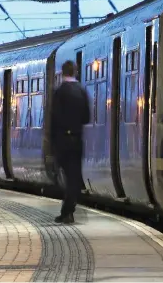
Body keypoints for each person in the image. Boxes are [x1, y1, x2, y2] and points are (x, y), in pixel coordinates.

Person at [50, 60, 90, 224]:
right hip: (77, 139)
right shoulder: (81, 91)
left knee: (64, 177)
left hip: (62, 140)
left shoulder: (60, 92)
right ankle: (68, 211)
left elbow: (54, 119)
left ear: (63, 72)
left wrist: (53, 145)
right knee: (74, 177)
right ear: (75, 72)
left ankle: (67, 212)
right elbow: (86, 117)